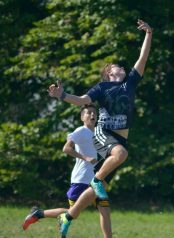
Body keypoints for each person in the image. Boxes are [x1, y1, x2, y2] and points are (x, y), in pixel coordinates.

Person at [47, 19, 152, 237]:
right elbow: (83, 100)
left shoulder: (130, 82)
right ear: (109, 73)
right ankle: (96, 180)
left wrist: (149, 34)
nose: (122, 67)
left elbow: (142, 58)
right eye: (117, 67)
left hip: (120, 139)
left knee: (96, 188)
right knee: (118, 158)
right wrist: (63, 96)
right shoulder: (102, 87)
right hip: (104, 134)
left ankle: (68, 216)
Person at [22, 105, 112, 238]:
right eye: (88, 113)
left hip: (96, 179)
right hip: (81, 179)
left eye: (94, 113)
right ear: (82, 117)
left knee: (105, 211)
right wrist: (85, 157)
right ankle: (38, 214)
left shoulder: (99, 133)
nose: (92, 115)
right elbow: (66, 148)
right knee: (72, 213)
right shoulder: (81, 131)